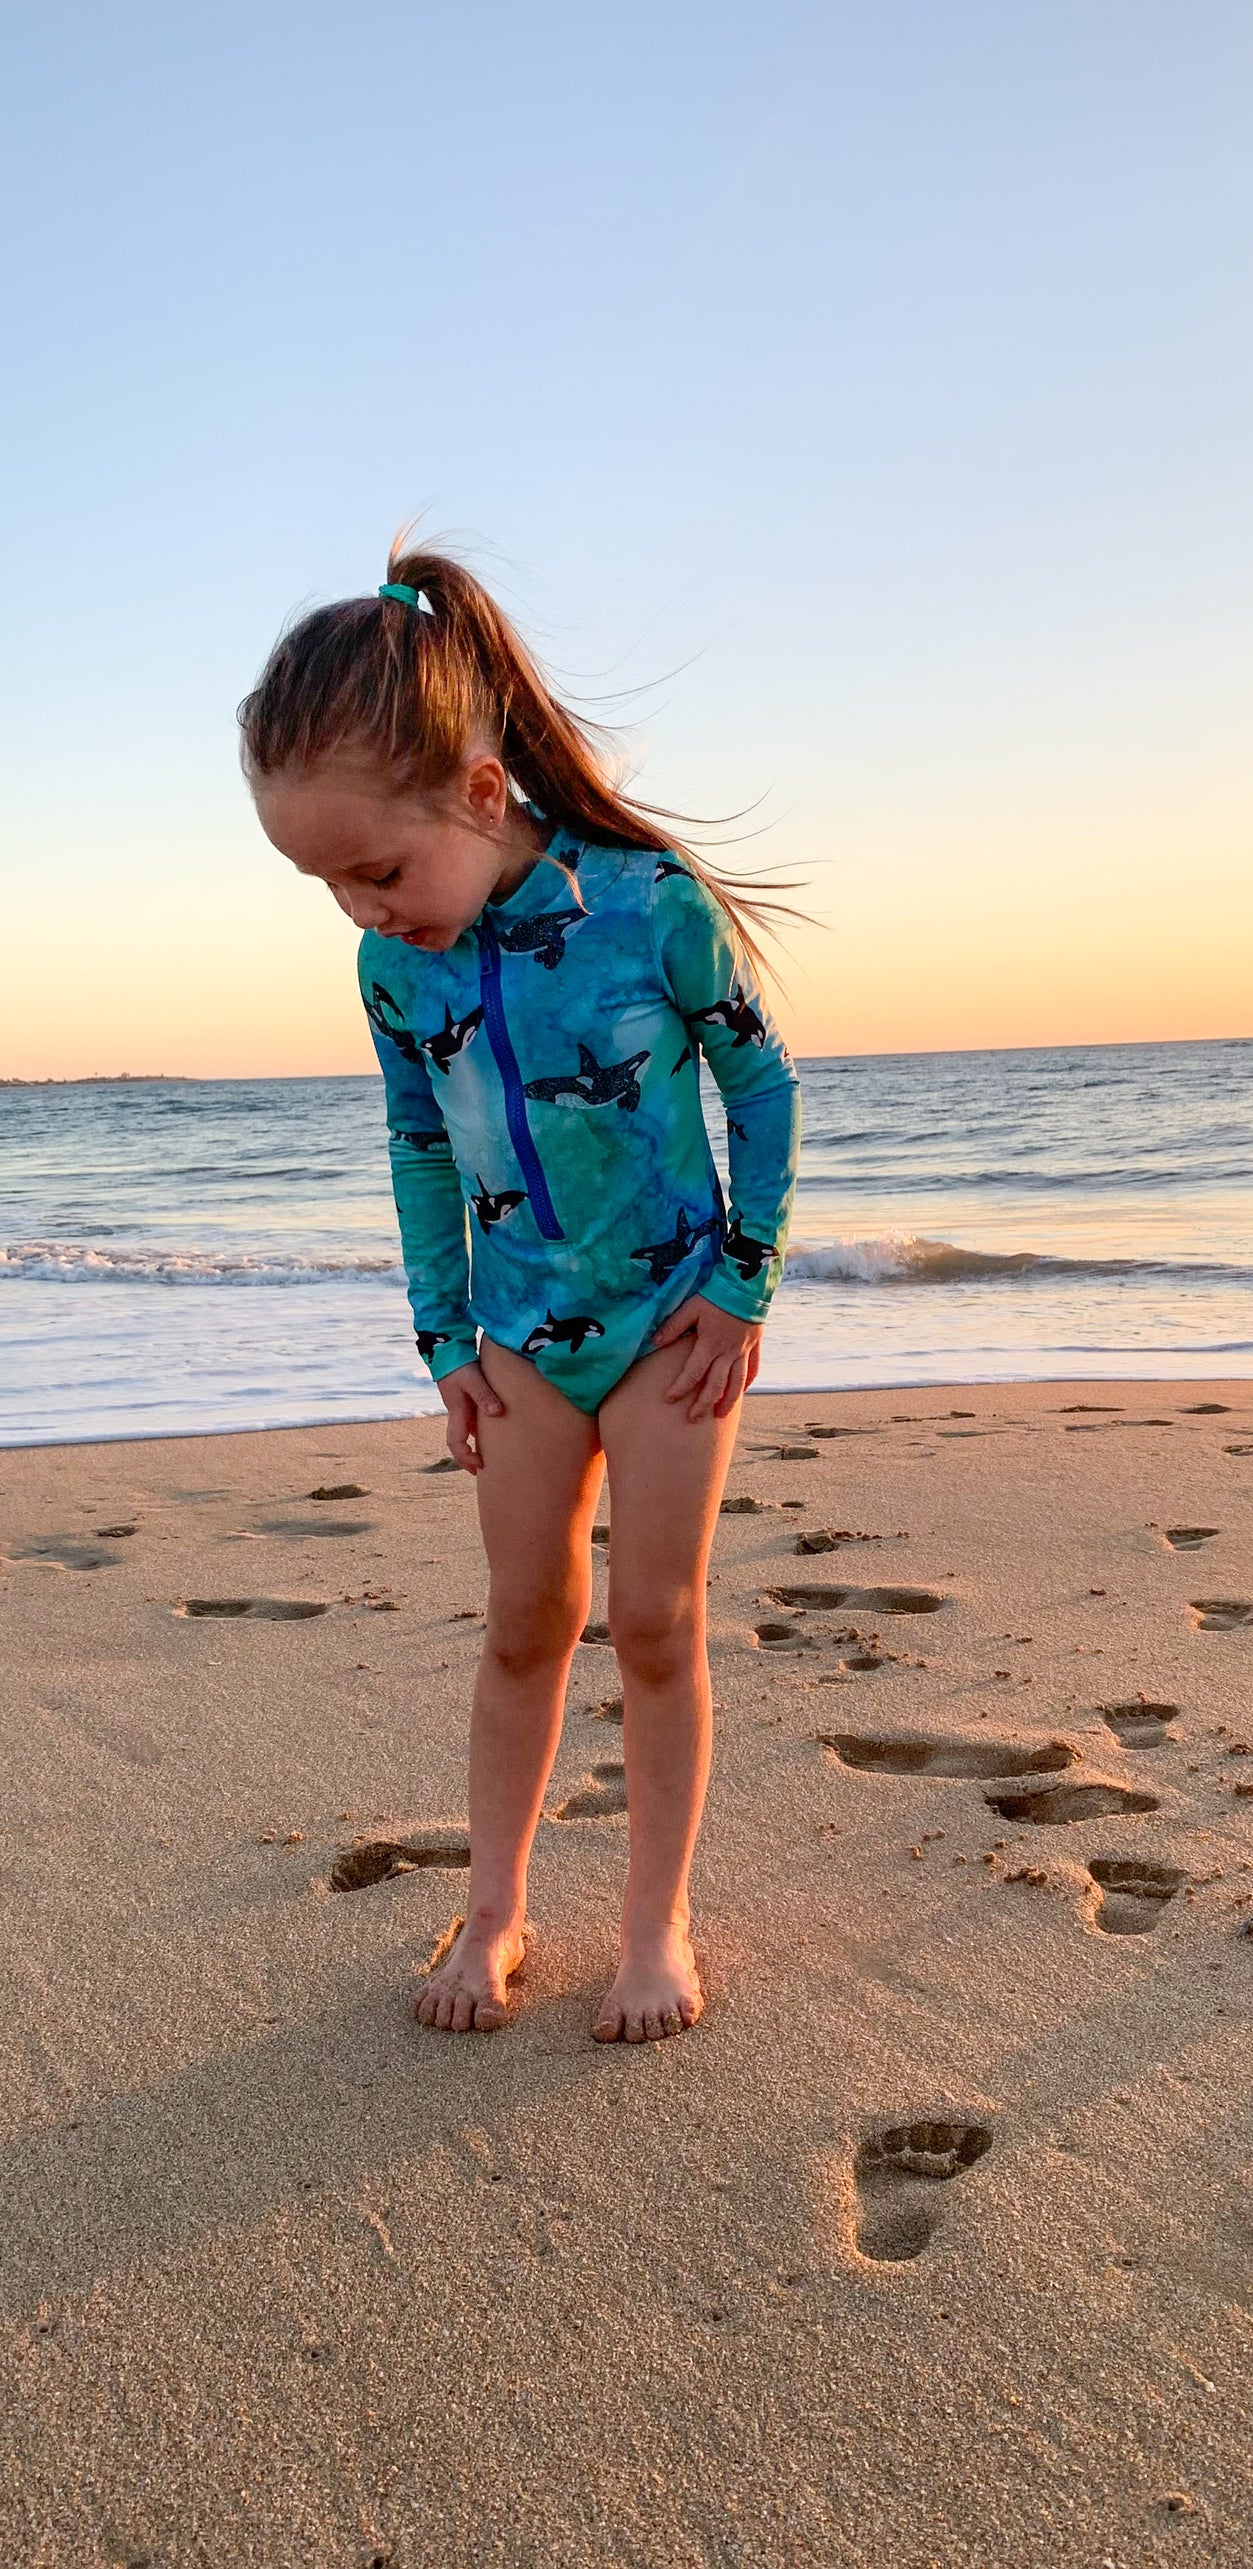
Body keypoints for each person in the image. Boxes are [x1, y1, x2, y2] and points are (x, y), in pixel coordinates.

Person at [240, 545, 801, 2043]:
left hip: (672, 1315)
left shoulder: (645, 904)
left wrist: (743, 1283)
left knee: (657, 1620)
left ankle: (652, 1927)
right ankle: (492, 1912)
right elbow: (418, 1150)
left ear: (478, 796)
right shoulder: (395, 975)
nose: (361, 908)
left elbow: (759, 1079)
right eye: (324, 884)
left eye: (375, 867)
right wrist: (444, 1343)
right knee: (524, 1620)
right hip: (521, 1337)